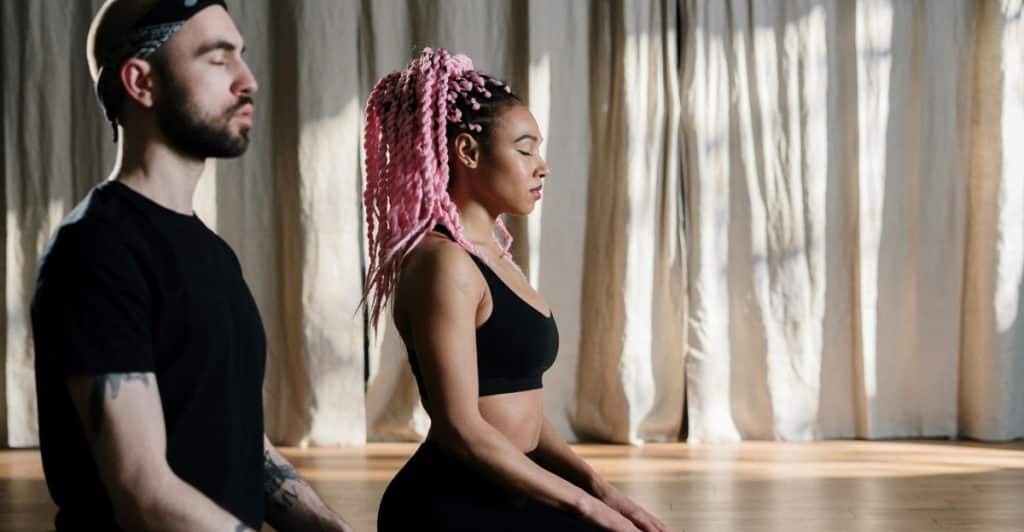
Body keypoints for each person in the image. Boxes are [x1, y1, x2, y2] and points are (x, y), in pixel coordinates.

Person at [31, 1, 353, 530]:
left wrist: (327, 527)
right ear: (141, 82)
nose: (248, 81)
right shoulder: (95, 249)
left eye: (242, 56)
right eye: (218, 59)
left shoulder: (213, 254)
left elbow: (237, 437)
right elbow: (144, 494)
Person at [362, 48, 669, 532]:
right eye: (525, 151)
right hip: (454, 504)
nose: (542, 167)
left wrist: (602, 491)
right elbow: (461, 428)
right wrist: (586, 508)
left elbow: (520, 409)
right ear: (467, 151)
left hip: (514, 487)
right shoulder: (444, 263)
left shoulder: (494, 257)